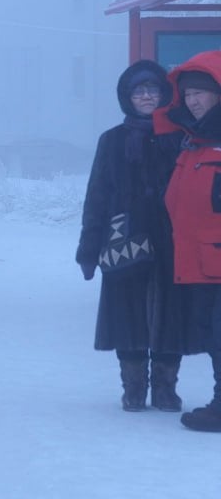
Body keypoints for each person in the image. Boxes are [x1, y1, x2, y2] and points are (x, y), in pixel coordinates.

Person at [76, 60, 193, 412]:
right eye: (138, 90)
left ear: (164, 94)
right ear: (127, 97)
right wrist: (89, 246)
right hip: (122, 238)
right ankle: (133, 386)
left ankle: (165, 387)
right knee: (126, 315)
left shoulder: (180, 137)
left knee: (171, 314)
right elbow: (96, 193)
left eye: (152, 89)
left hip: (173, 241)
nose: (145, 96)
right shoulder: (111, 140)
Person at [155, 51, 221, 431]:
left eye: (200, 92)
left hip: (216, 260)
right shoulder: (193, 142)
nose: (192, 101)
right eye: (188, 94)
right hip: (202, 261)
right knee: (214, 335)